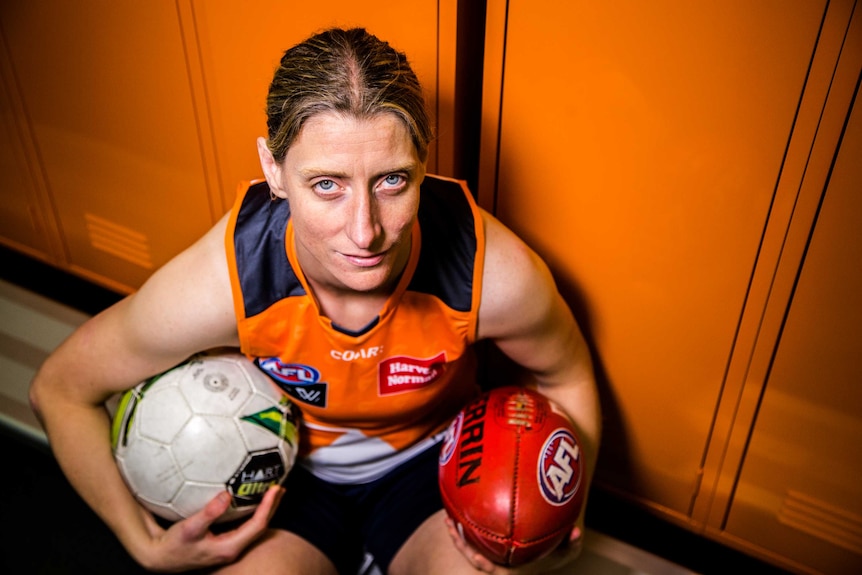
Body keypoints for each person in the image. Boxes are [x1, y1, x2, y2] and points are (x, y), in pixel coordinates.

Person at [29, 27, 600, 574]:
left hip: (431, 469)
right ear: (273, 171)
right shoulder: (224, 282)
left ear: (425, 161)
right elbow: (59, 390)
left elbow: (564, 373)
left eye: (392, 181)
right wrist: (142, 543)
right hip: (283, 476)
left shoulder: (490, 272)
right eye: (327, 184)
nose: (364, 231)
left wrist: (565, 511)